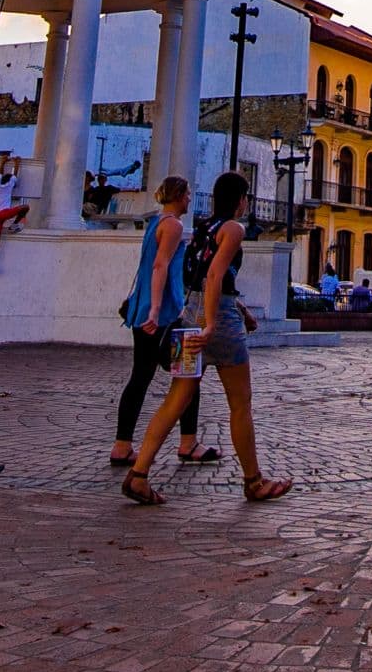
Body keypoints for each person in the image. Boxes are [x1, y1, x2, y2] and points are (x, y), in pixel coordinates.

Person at [121, 172, 290, 505]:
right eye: (246, 198)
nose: (246, 204)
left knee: (176, 398)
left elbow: (203, 277)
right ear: (240, 199)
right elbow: (215, 276)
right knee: (240, 403)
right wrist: (214, 323)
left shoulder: (202, 228)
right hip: (219, 323)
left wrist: (236, 309)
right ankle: (253, 481)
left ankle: (139, 474)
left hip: (189, 317)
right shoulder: (234, 229)